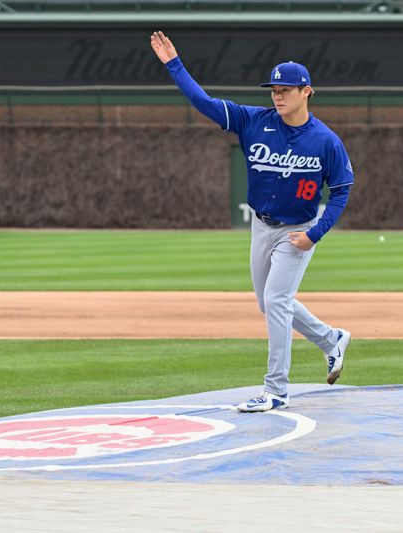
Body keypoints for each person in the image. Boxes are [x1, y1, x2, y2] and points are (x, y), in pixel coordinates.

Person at [150, 31, 354, 412]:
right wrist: (173, 65)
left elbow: (341, 190)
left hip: (297, 230)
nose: (277, 95)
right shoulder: (253, 121)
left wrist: (314, 235)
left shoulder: (325, 141)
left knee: (276, 300)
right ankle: (332, 339)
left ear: (307, 91)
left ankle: (276, 390)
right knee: (268, 303)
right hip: (261, 226)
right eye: (274, 89)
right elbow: (203, 102)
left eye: (286, 89)